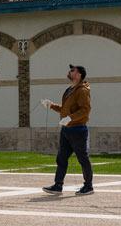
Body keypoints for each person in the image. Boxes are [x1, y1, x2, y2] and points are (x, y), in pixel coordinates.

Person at [41, 64, 93, 196]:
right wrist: (51, 105)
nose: (69, 72)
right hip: (66, 130)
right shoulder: (70, 89)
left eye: (72, 70)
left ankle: (88, 186)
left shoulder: (82, 90)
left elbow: (85, 110)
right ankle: (58, 185)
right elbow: (65, 109)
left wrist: (70, 118)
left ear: (79, 74)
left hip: (78, 129)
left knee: (83, 158)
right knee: (62, 158)